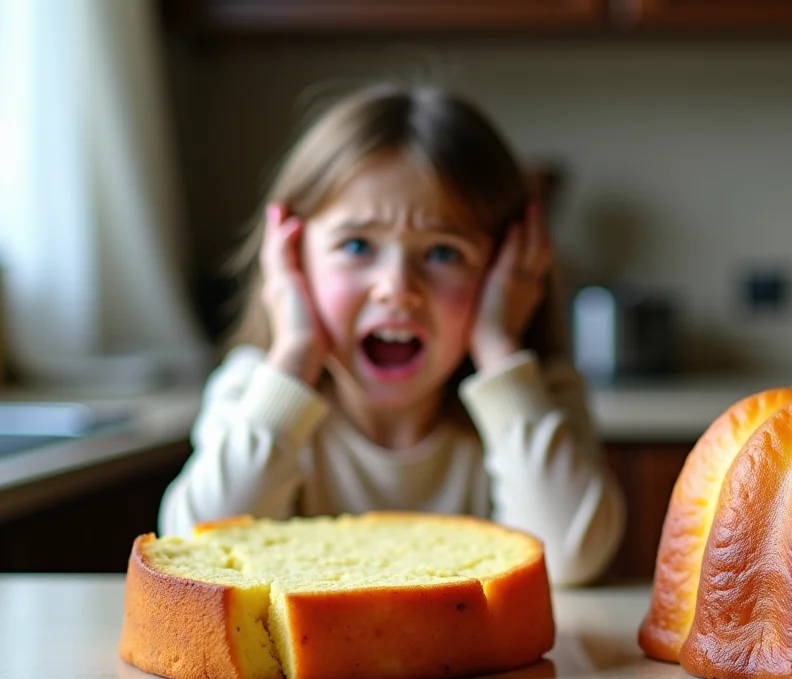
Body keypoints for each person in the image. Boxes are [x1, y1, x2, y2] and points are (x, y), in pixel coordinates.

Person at [159, 83, 625, 586]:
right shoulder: (257, 393)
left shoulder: (536, 397)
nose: (398, 289)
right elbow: (198, 551)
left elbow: (569, 560)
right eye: (357, 245)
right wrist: (293, 357)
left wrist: (498, 350)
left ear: (506, 272)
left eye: (443, 253)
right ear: (292, 262)